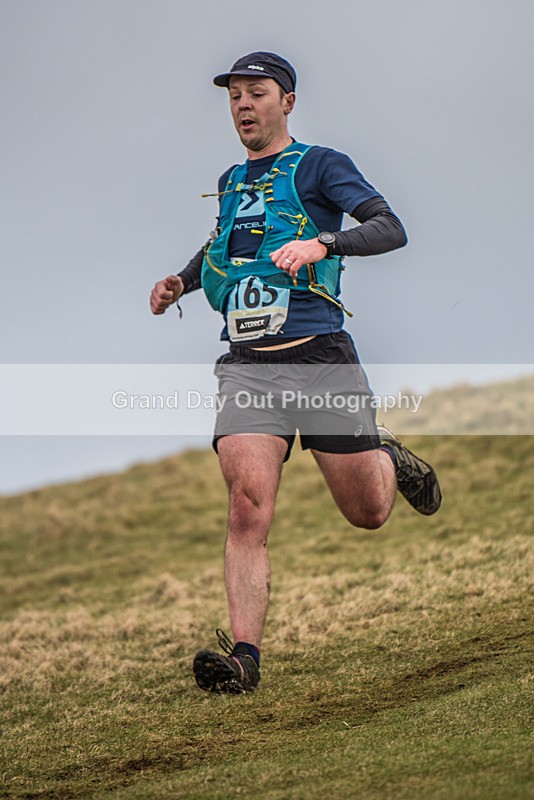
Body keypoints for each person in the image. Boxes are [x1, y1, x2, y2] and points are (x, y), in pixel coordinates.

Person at [149, 52, 441, 694]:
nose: (244, 106)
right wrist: (184, 280)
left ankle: (385, 457)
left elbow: (390, 228)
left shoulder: (321, 164)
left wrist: (324, 243)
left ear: (287, 102)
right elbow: (229, 246)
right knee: (245, 507)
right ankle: (243, 661)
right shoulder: (231, 178)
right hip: (247, 369)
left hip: (320, 360)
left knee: (367, 512)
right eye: (235, 97)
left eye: (257, 93)